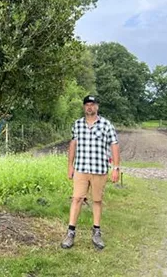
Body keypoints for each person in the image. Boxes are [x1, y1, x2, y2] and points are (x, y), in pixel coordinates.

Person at [61, 95, 120, 250]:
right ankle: (70, 233)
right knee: (77, 198)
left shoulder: (106, 125)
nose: (89, 107)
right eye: (87, 104)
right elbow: (73, 144)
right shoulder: (77, 125)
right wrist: (70, 165)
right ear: (84, 107)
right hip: (81, 169)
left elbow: (114, 145)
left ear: (97, 107)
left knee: (97, 200)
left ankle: (96, 232)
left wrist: (116, 167)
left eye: (92, 104)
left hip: (99, 170)